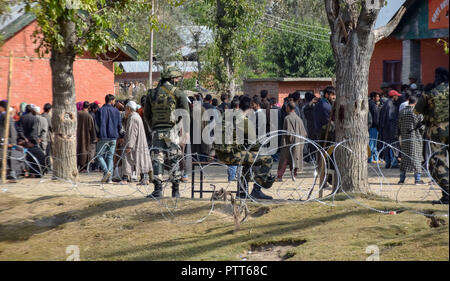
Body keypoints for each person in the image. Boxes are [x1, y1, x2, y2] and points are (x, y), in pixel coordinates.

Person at [214, 96, 276, 200]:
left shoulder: (226, 115)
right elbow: (254, 143)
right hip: (232, 155)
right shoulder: (243, 120)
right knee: (268, 159)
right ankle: (257, 190)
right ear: (249, 108)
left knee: (248, 161)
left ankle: (242, 192)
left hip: (221, 153)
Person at [144, 66, 189, 198]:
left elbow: (147, 114)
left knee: (157, 159)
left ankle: (158, 190)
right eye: (177, 78)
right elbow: (185, 114)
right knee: (174, 158)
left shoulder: (152, 93)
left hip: (157, 130)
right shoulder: (178, 93)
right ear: (173, 79)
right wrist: (184, 131)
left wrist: (153, 126)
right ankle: (175, 190)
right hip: (172, 130)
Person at [415, 67, 449, 205]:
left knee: (437, 162)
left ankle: (447, 193)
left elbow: (417, 110)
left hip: (437, 131)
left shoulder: (430, 91)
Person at [119, 101, 153, 185]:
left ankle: (125, 179)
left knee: (128, 159)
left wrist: (129, 145)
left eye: (126, 109)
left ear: (129, 109)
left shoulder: (132, 118)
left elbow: (132, 132)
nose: (125, 111)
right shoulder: (137, 116)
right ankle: (144, 178)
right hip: (139, 143)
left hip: (134, 144)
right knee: (141, 160)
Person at [95, 94, 124, 183]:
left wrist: (97, 135)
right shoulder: (116, 111)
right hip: (114, 137)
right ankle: (109, 178)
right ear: (111, 101)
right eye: (114, 101)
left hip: (103, 136)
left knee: (99, 155)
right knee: (110, 157)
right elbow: (120, 125)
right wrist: (121, 136)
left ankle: (106, 171)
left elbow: (97, 125)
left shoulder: (100, 110)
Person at [397, 95, 424, 185]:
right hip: (415, 138)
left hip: (404, 139)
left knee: (404, 158)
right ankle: (417, 180)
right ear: (415, 103)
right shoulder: (417, 113)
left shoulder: (402, 112)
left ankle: (401, 179)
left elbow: (398, 126)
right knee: (416, 158)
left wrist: (398, 135)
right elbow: (422, 127)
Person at [277, 102, 307, 181]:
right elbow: (304, 133)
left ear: (288, 108)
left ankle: (279, 176)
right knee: (295, 160)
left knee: (284, 160)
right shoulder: (299, 118)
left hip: (288, 143)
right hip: (297, 143)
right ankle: (294, 176)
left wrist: (290, 141)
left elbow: (288, 132)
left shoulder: (287, 118)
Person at [379, 90, 401, 169]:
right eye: (396, 96)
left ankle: (388, 162)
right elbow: (390, 119)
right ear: (393, 96)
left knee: (387, 146)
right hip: (390, 130)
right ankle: (393, 163)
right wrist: (395, 131)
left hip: (385, 130)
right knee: (393, 146)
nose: (397, 97)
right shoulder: (390, 105)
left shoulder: (386, 104)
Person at [77, 101, 97, 171]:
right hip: (86, 137)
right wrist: (94, 138)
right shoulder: (89, 116)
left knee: (78, 150)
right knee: (85, 150)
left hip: (77, 136)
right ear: (88, 107)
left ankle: (78, 165)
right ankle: (84, 167)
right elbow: (92, 128)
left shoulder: (77, 114)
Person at [368, 92, 383, 164]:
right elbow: (376, 118)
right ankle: (371, 158)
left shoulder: (369, 104)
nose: (378, 98)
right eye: (377, 97)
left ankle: (374, 158)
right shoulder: (373, 106)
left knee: (372, 143)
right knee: (372, 143)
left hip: (370, 126)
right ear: (373, 97)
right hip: (373, 127)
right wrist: (378, 127)